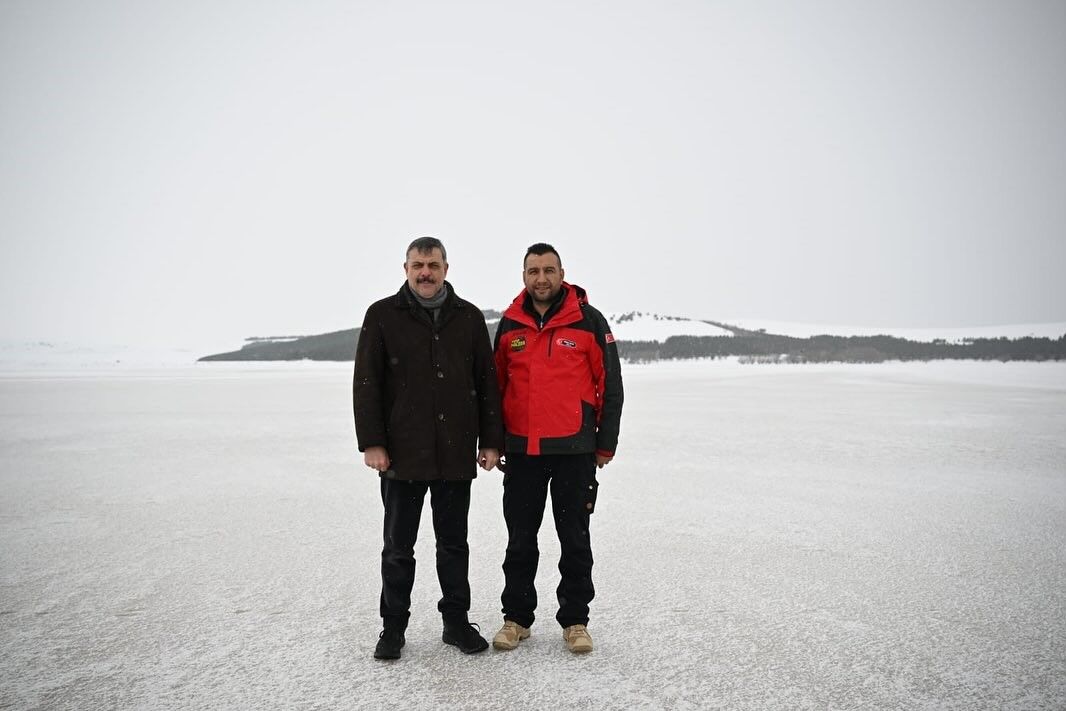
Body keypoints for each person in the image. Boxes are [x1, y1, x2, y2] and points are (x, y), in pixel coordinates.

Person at [353, 236, 503, 661]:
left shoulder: (469, 318)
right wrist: (373, 443)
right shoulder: (382, 315)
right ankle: (393, 628)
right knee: (399, 548)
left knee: (453, 545)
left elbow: (487, 384)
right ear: (405, 268)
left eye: (433, 265)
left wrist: (491, 440)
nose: (425, 272)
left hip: (454, 453)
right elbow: (367, 383)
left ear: (445, 269)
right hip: (401, 455)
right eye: (418, 264)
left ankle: (456, 623)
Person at [490, 243, 623, 654]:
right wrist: (493, 441)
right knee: (520, 541)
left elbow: (611, 386)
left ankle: (576, 621)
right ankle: (516, 619)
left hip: (575, 452)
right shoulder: (510, 325)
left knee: (575, 540)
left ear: (562, 273)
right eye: (533, 271)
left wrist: (604, 444)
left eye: (549, 270)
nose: (541, 278)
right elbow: (495, 390)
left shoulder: (588, 321)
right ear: (523, 275)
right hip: (523, 453)